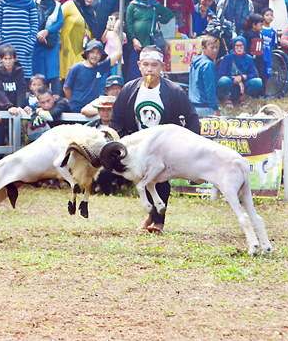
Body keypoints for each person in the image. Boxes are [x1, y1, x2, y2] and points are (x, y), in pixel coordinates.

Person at [110, 45, 201, 234]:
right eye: (146, 65)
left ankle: (158, 222)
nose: (150, 69)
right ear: (139, 66)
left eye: (154, 65)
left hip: (164, 146)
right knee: (146, 180)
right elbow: (116, 118)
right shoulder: (129, 90)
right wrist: (120, 143)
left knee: (160, 180)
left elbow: (192, 118)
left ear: (162, 67)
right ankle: (151, 216)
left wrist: (187, 145)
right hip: (137, 144)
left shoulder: (173, 91)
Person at [0, 0, 39, 81]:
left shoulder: (29, 2)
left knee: (23, 73)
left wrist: (30, 42)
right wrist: (0, 40)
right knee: (5, 71)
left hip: (24, 44)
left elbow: (34, 23)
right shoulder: (3, 1)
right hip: (6, 42)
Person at [125, 0, 174, 81]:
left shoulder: (155, 5)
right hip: (136, 44)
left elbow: (169, 14)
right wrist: (133, 39)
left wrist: (157, 20)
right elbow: (128, 24)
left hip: (150, 42)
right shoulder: (132, 6)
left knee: (150, 69)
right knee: (134, 71)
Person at [63, 37, 122, 113]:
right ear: (87, 53)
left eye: (98, 53)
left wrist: (116, 32)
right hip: (76, 109)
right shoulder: (75, 68)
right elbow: (66, 88)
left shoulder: (100, 67)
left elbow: (118, 53)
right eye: (92, 52)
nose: (95, 55)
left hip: (93, 108)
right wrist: (74, 101)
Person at [0, 44, 26, 160]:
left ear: (15, 58)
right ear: (0, 59)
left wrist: (20, 106)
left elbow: (21, 90)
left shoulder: (19, 71)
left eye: (10, 58)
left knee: (16, 146)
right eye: (5, 58)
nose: (8, 61)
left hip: (15, 113)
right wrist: (8, 106)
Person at [32, 0, 63, 95]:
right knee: (38, 71)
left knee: (53, 71)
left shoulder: (57, 5)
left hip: (51, 42)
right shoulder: (33, 3)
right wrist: (38, 33)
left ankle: (56, 97)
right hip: (36, 42)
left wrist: (47, 31)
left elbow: (59, 22)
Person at [60, 0, 96, 81]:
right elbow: (57, 19)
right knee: (68, 72)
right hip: (68, 44)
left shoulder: (92, 12)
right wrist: (58, 36)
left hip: (83, 46)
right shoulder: (70, 5)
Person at [217, 36, 263, 106]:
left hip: (244, 86)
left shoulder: (249, 59)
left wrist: (242, 77)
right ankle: (227, 98)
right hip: (231, 84)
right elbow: (221, 74)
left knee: (258, 82)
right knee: (223, 80)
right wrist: (234, 79)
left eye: (241, 46)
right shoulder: (227, 58)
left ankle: (243, 98)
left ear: (245, 46)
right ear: (233, 46)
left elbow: (254, 75)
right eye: (237, 46)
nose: (239, 48)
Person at [188, 35, 221, 116]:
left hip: (192, 107)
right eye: (212, 48)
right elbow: (210, 89)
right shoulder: (208, 64)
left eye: (217, 48)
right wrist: (215, 109)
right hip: (205, 107)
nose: (215, 51)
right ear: (203, 48)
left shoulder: (195, 62)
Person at [243, 13, 267, 92]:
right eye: (260, 25)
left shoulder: (260, 34)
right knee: (253, 74)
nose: (262, 27)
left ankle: (261, 92)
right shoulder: (247, 34)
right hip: (251, 59)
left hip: (260, 58)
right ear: (253, 25)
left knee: (261, 74)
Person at [261, 7, 276, 97]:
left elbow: (272, 45)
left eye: (271, 15)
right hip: (260, 55)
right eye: (267, 15)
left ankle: (266, 93)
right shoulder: (260, 29)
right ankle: (259, 92)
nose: (269, 17)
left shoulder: (273, 31)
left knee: (268, 74)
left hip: (268, 55)